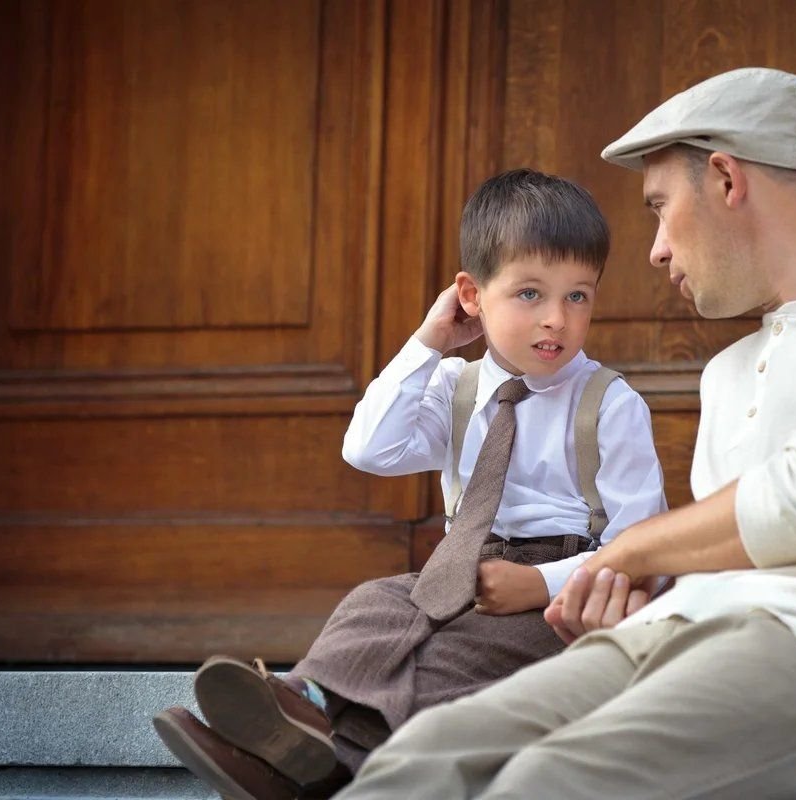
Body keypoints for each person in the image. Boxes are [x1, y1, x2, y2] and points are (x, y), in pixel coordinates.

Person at [337, 68, 796, 800]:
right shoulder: (727, 374)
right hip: (675, 637)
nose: (656, 251)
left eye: (662, 209)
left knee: (547, 784)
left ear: (727, 179)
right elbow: (713, 564)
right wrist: (629, 599)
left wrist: (630, 551)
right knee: (425, 758)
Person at [151, 169, 667, 800]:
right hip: (458, 569)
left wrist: (539, 584)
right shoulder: (452, 386)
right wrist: (429, 341)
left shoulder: (608, 404)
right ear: (471, 296)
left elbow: (643, 542)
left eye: (578, 296)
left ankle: (312, 765)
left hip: (561, 590)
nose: (556, 319)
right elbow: (369, 448)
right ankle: (298, 705)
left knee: (453, 658)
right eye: (529, 294)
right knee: (377, 604)